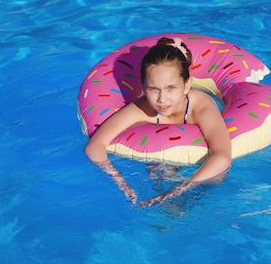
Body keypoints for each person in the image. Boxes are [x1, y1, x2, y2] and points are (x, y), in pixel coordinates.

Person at [84, 37, 232, 206]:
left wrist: (177, 191)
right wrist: (121, 182)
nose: (162, 99)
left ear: (186, 84)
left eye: (171, 88)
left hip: (195, 176)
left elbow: (222, 156)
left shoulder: (201, 107)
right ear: (143, 86)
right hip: (161, 164)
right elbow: (95, 146)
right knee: (158, 172)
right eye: (153, 89)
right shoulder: (141, 108)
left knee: (216, 178)